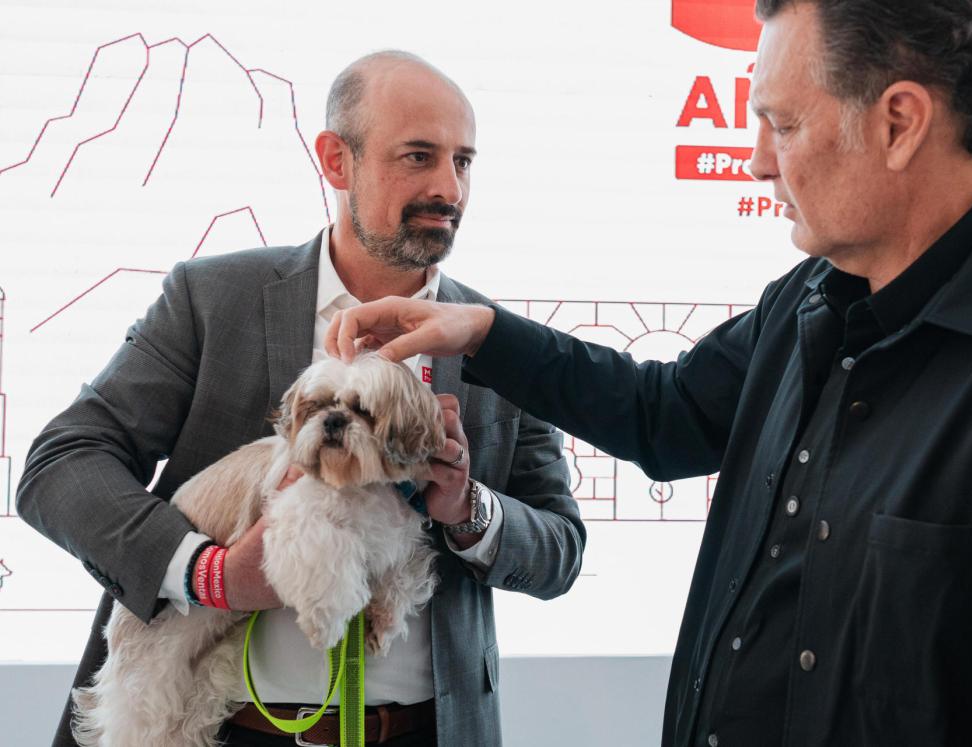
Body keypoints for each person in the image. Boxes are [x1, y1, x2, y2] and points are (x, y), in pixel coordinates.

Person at [323, 3, 972, 746]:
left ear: (900, 122)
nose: (758, 162)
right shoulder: (807, 299)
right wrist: (485, 332)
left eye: (784, 124)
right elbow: (662, 415)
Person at [17, 51, 584, 747]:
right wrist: (210, 574)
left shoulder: (499, 343)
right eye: (418, 156)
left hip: (428, 732)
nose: (449, 187)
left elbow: (560, 551)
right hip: (218, 730)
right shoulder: (211, 299)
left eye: (462, 161)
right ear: (336, 161)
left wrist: (469, 509)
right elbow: (62, 465)